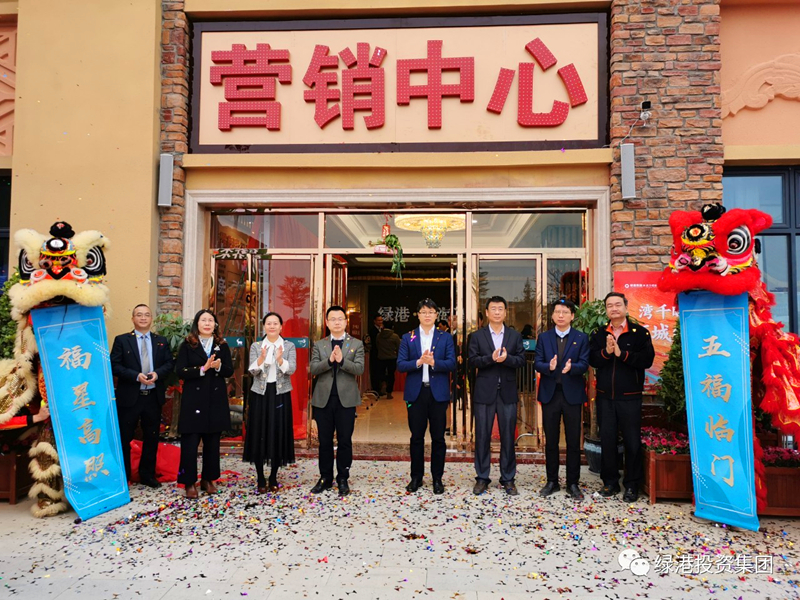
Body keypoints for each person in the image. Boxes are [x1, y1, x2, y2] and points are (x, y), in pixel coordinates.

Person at [589, 292, 655, 502]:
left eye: (618, 304)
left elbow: (647, 360)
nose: (614, 308)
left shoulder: (640, 333)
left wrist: (621, 354)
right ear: (606, 310)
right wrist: (607, 352)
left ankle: (632, 485)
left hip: (630, 398)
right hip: (605, 398)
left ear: (626, 307)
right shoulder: (599, 333)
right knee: (607, 441)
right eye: (610, 305)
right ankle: (610, 483)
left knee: (632, 442)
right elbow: (592, 360)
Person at [110, 304, 174, 488]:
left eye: (147, 315)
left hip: (152, 396)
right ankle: (123, 476)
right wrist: (135, 376)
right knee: (124, 437)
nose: (143, 318)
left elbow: (169, 364)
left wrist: (157, 374)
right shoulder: (122, 340)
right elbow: (114, 365)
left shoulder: (160, 341)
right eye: (139, 315)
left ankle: (147, 475)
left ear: (151, 318)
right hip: (130, 397)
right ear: (133, 319)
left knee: (151, 437)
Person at [397, 299, 456, 494]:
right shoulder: (408, 337)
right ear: (418, 315)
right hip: (416, 393)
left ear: (437, 315)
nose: (427, 315)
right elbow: (400, 364)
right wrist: (419, 361)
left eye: (431, 312)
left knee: (438, 438)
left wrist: (433, 363)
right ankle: (416, 477)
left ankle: (437, 478)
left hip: (437, 393)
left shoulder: (445, 338)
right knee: (416, 437)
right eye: (424, 312)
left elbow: (452, 363)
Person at [468, 296, 526, 495]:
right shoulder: (477, 336)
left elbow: (521, 360)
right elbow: (472, 360)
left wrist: (507, 359)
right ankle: (482, 478)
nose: (497, 312)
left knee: (508, 437)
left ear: (505, 312)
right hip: (484, 392)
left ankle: (508, 478)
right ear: (487, 312)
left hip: (507, 393)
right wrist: (490, 358)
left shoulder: (514, 336)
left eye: (501, 309)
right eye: (493, 309)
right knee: (482, 436)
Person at [534, 298, 590, 501]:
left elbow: (585, 363)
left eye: (565, 312)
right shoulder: (544, 337)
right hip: (550, 394)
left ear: (572, 316)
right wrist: (548, 367)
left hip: (572, 395)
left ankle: (573, 483)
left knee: (573, 441)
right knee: (551, 441)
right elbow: (537, 362)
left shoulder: (581, 337)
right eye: (557, 311)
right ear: (552, 316)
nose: (561, 315)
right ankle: (552, 481)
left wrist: (572, 368)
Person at [175, 309, 234, 499]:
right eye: (203, 320)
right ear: (197, 324)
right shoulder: (187, 345)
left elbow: (229, 370)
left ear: (215, 324)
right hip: (193, 400)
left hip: (215, 399)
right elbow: (180, 370)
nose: (207, 323)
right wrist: (202, 368)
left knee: (212, 443)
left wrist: (218, 367)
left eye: (211, 320)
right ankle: (189, 482)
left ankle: (208, 479)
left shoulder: (221, 345)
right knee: (190, 444)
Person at [309, 305, 365, 497]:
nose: (337, 322)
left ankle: (343, 478)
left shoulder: (356, 344)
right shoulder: (320, 344)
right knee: (324, 441)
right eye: (332, 319)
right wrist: (329, 361)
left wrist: (342, 361)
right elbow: (313, 368)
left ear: (346, 321)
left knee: (344, 440)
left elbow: (359, 369)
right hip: (323, 400)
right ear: (327, 322)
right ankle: (325, 478)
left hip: (346, 400)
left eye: (340, 319)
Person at [243, 312, 297, 494]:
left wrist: (280, 359)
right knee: (259, 432)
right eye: (268, 323)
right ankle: (260, 476)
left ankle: (273, 476)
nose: (272, 326)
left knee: (277, 432)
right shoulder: (257, 346)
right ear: (264, 326)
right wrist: (261, 359)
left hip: (280, 394)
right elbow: (252, 371)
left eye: (275, 323)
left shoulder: (288, 346)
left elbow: (292, 369)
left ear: (281, 326)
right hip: (260, 394)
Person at [376, 321, 401, 399]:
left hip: (381, 358)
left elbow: (377, 345)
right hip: (392, 358)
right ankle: (389, 393)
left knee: (381, 373)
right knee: (391, 375)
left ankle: (383, 383)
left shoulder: (379, 335)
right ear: (392, 327)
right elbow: (399, 348)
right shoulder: (395, 336)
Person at [367, 314, 383, 395]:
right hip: (374, 353)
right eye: (378, 320)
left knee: (380, 372)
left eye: (381, 320)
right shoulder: (372, 330)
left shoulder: (382, 329)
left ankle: (380, 389)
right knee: (375, 372)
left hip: (381, 354)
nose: (380, 322)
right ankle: (376, 389)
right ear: (374, 321)